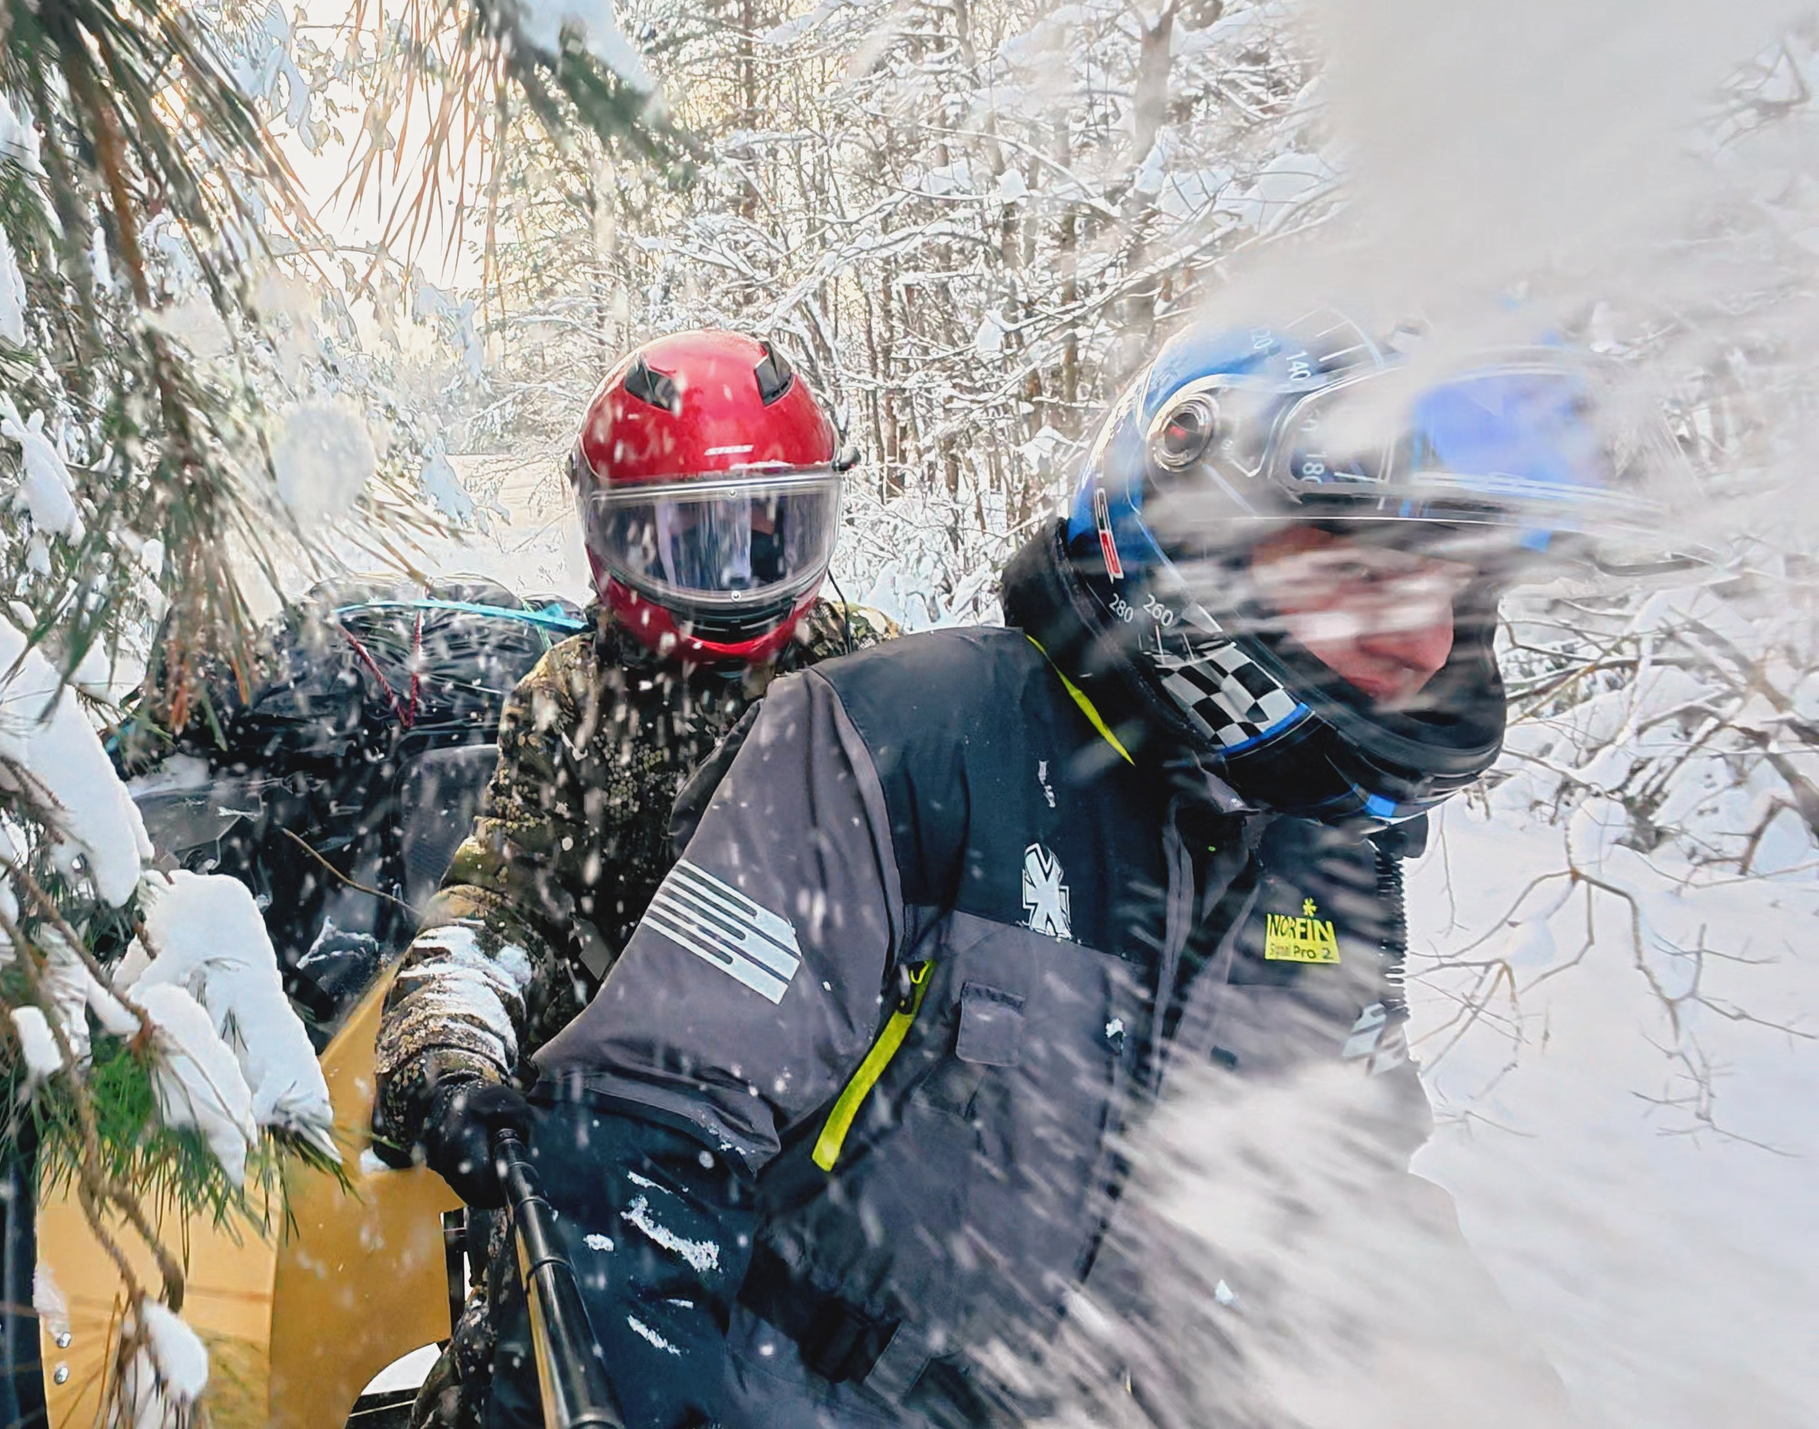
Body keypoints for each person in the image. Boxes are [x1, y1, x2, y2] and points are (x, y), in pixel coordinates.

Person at [484, 314, 1693, 1428]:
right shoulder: (906, 740)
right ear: (1195, 549)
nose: (1417, 639)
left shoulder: (1326, 859)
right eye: (1360, 571)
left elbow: (1350, 1219)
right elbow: (641, 1128)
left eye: (1455, 589)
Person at [371, 329, 894, 1425]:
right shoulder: (573, 700)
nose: (740, 576)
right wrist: (448, 1041)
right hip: (614, 1140)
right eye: (692, 543)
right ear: (617, 541)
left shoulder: (874, 685)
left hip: (825, 1146)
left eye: (769, 532)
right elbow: (501, 900)